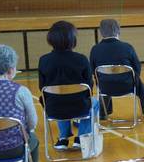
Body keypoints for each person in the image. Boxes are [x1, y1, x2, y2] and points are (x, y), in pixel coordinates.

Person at [38, 21, 99, 151]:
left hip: (53, 109)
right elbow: (89, 87)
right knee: (95, 103)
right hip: (80, 107)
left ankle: (63, 138)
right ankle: (81, 137)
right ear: (73, 39)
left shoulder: (44, 60)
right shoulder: (81, 59)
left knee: (58, 98)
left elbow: (42, 87)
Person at [89, 19, 144, 118]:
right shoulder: (127, 47)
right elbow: (137, 67)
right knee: (138, 83)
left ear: (101, 32)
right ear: (118, 30)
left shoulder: (95, 49)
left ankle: (103, 112)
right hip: (127, 85)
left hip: (105, 87)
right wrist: (134, 78)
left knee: (104, 82)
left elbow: (92, 70)